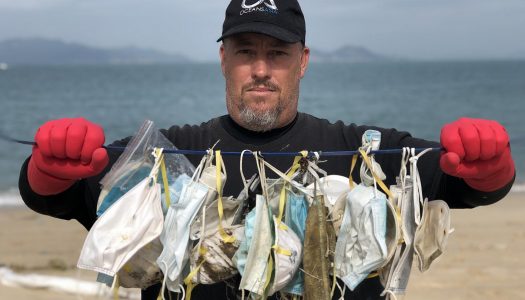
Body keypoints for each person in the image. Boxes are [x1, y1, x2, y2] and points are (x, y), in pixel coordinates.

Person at [18, 0, 515, 299]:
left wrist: (490, 162)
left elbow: (464, 183)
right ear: (223, 59)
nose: (260, 68)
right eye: (245, 52)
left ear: (302, 62)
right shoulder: (168, 157)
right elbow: (60, 196)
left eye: (276, 54)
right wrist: (50, 165)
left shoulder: (361, 152)